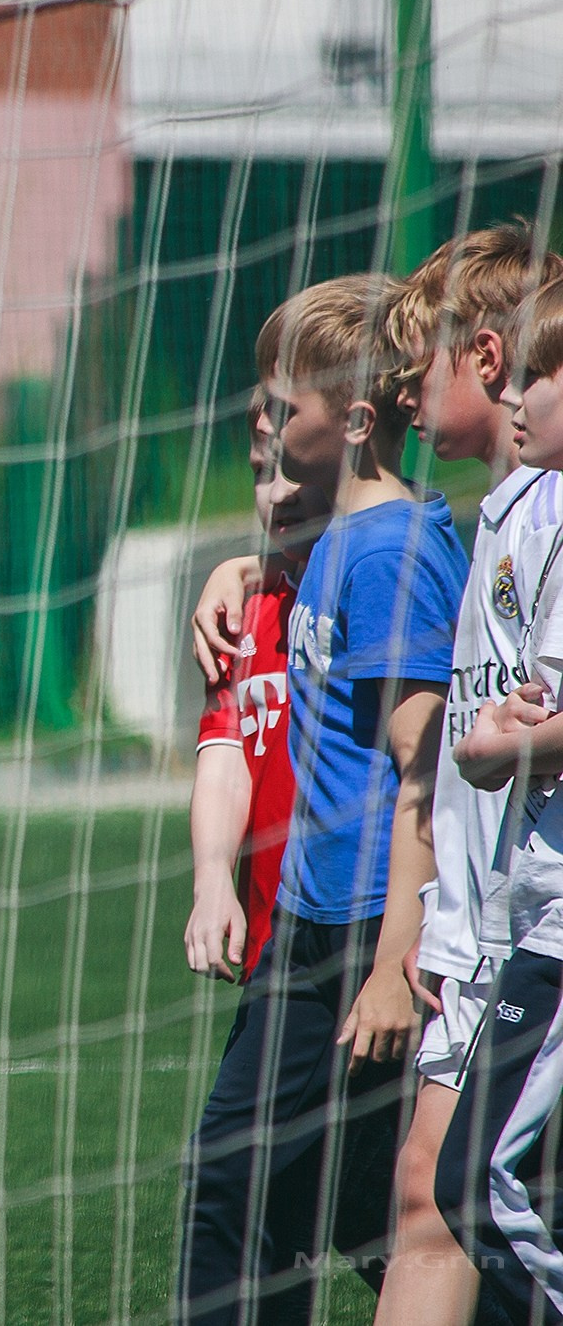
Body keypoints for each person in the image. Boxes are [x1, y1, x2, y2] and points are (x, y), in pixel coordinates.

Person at [177, 274, 466, 1325]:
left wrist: (393, 967)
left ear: (349, 420)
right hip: (305, 922)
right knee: (317, 1201)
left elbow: (420, 772)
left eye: (280, 402)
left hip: (354, 938)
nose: (261, 418)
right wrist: (243, 564)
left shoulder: (386, 551)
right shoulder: (336, 545)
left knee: (244, 1191)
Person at [371, 226, 562, 1326]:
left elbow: (515, 739)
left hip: (527, 923)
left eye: (420, 368)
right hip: (484, 922)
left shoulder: (546, 510)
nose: (402, 393)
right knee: (430, 1194)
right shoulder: (489, 513)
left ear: (485, 361)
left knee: (457, 1196)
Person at [440, 274, 563, 1323]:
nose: (511, 397)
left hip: (558, 919)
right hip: (528, 900)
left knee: (471, 1185)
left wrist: (496, 753)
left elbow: (531, 732)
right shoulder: (536, 513)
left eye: (536, 376)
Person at [185, 389, 326, 987]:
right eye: (263, 472)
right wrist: (213, 878)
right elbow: (224, 758)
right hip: (274, 941)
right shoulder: (243, 614)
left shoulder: (383, 583)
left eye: (295, 469)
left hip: (371, 932)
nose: (279, 492)